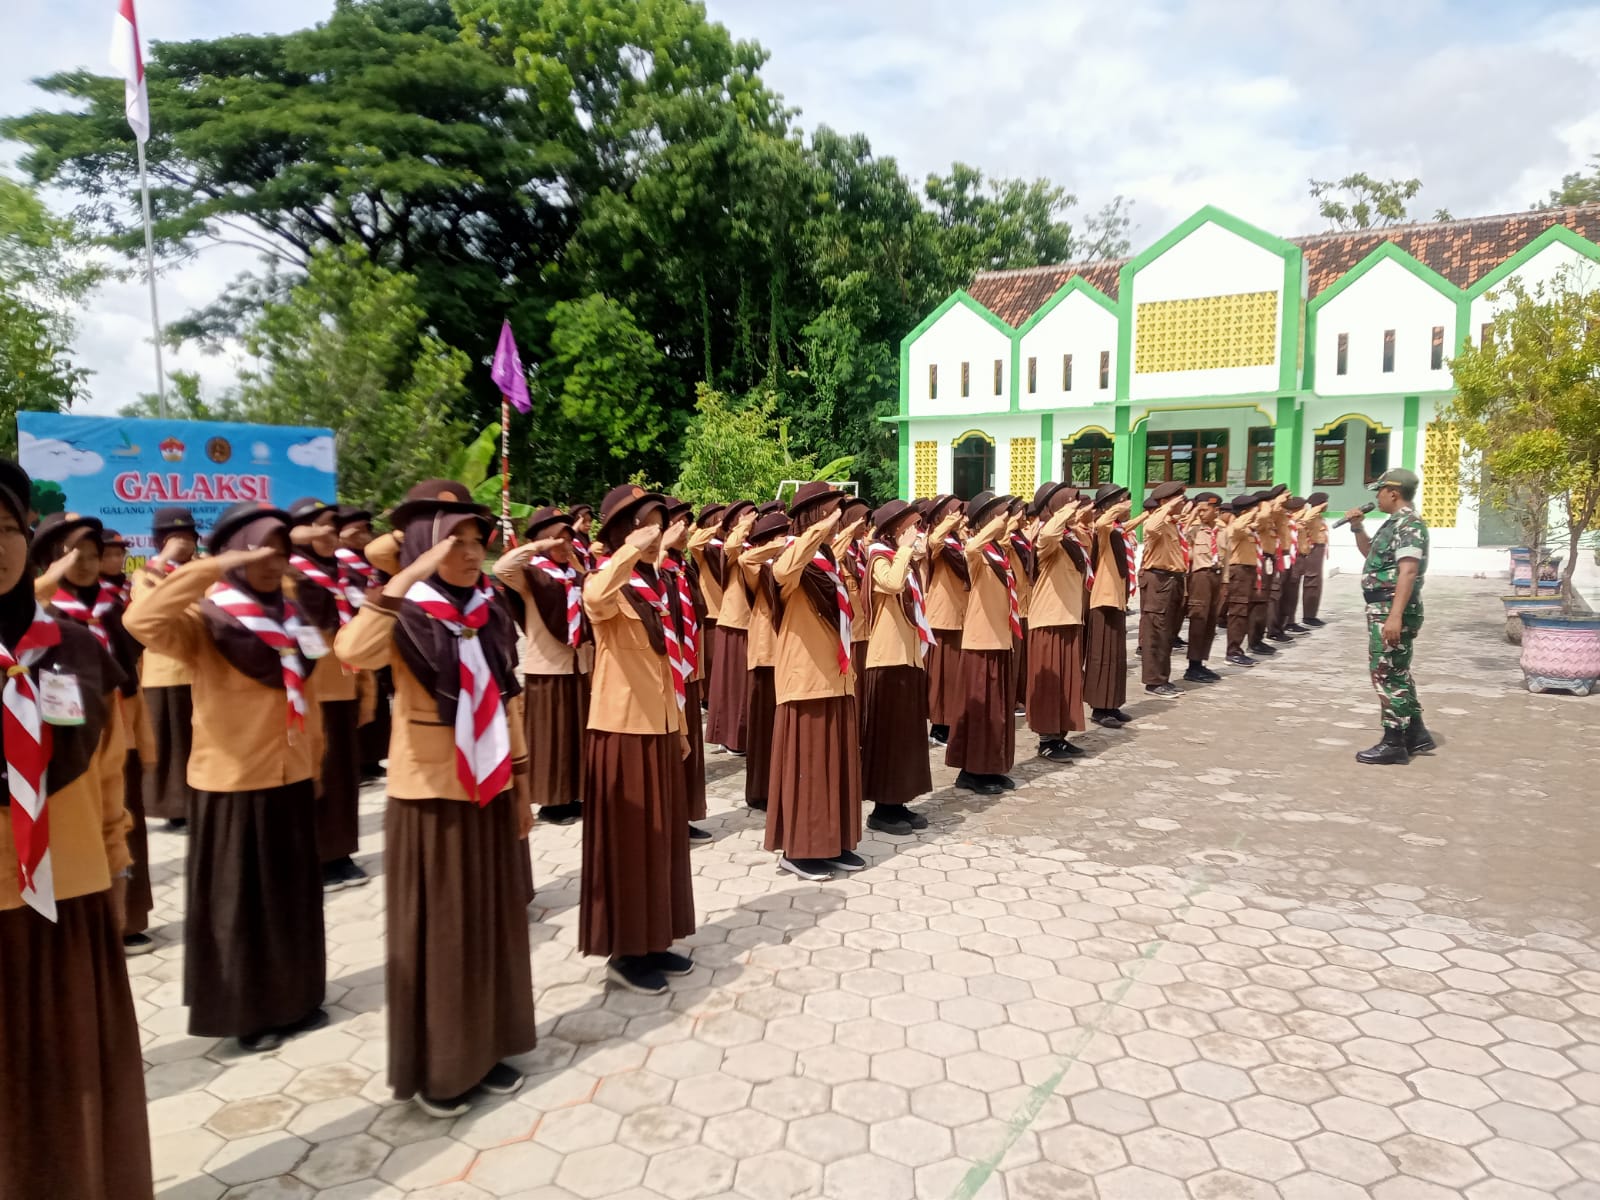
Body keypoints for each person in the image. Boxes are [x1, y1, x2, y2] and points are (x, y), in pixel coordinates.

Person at [334, 479, 536, 1116]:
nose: (472, 552)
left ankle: (491, 1043)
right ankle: (445, 1068)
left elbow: (510, 696)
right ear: (425, 546)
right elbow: (352, 651)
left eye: (477, 539)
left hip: (490, 782)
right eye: (457, 541)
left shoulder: (490, 607)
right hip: (430, 791)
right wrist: (405, 569)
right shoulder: (407, 609)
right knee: (444, 933)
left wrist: (523, 783)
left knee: (489, 924)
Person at [0, 460, 153, 1200]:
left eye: (5, 528)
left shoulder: (70, 645)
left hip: (74, 888)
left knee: (78, 1074)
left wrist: (118, 855)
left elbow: (105, 767)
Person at [124, 500, 329, 1053]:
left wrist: (314, 759)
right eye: (260, 549)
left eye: (281, 550)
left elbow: (306, 695)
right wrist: (209, 567)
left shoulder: (291, 617)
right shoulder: (207, 620)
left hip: (289, 774)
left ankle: (297, 997)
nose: (273, 560)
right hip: (232, 785)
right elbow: (140, 622)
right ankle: (248, 1012)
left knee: (291, 898)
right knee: (242, 908)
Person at [578, 485, 697, 994]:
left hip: (661, 726)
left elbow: (667, 662)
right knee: (630, 847)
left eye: (658, 521)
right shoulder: (608, 581)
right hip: (622, 730)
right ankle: (625, 954)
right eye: (646, 522)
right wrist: (631, 549)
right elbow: (594, 599)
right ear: (623, 533)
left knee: (660, 842)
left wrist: (683, 725)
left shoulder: (657, 581)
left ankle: (655, 939)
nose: (656, 530)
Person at [32, 512, 157, 958]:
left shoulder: (110, 606)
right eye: (72, 556)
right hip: (65, 744)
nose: (85, 564)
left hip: (116, 731)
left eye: (93, 555)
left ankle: (130, 917)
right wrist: (51, 579)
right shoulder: (39, 610)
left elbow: (131, 680)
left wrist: (141, 736)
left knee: (124, 823)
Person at [764, 482, 864, 880]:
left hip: (835, 677)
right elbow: (783, 571)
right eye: (829, 510)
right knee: (809, 765)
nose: (836, 517)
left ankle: (832, 842)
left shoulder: (825, 558)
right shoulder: (793, 554)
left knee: (834, 765)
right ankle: (800, 850)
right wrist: (818, 530)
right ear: (812, 516)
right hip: (805, 678)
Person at [286, 497, 370, 892]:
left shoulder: (344, 572)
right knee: (310, 771)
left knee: (340, 775)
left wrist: (366, 688)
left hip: (343, 684)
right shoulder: (285, 572)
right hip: (302, 692)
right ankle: (308, 857)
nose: (327, 533)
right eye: (317, 525)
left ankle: (338, 854)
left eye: (333, 527)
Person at [494, 507, 589, 828]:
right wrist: (537, 547)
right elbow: (502, 567)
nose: (564, 544)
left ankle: (575, 793)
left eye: (568, 538)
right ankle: (552, 802)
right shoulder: (533, 575)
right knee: (552, 738)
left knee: (575, 735)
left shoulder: (574, 574)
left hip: (579, 665)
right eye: (557, 538)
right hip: (547, 667)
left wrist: (576, 563)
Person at [1345, 468, 1433, 765]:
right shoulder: (1393, 524)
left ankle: (1394, 741)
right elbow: (1371, 554)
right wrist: (1358, 527)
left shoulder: (1409, 525)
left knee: (1386, 673)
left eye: (1380, 491)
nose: (1377, 497)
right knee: (1398, 670)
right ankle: (1416, 732)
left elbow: (1408, 571)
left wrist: (1395, 616)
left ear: (1393, 493)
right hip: (1383, 607)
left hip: (1390, 608)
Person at [860, 499, 933, 833]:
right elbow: (891, 584)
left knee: (905, 736)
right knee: (889, 737)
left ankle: (900, 801)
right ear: (895, 530)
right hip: (886, 658)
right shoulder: (877, 556)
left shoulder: (897, 557)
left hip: (907, 657)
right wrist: (904, 551)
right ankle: (882, 809)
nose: (915, 533)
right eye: (910, 527)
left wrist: (910, 553)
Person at [945, 490, 1021, 795]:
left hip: (1000, 639)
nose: (1007, 517)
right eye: (999, 513)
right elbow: (972, 545)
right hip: (981, 640)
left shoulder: (999, 552)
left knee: (997, 710)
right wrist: (994, 524)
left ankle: (992, 765)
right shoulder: (976, 552)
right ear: (988, 520)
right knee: (980, 711)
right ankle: (971, 771)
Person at [137, 507, 200, 832]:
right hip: (163, 671)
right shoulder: (145, 573)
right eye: (174, 537)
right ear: (159, 540)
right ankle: (176, 808)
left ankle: (201, 802)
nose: (183, 543)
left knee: (199, 739)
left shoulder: (205, 569)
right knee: (170, 743)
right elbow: (142, 603)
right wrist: (163, 560)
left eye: (188, 535)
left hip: (202, 668)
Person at [1024, 484, 1088, 762]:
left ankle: (1060, 735)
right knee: (1050, 684)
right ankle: (1046, 740)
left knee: (1066, 681)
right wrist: (1063, 512)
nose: (1076, 507)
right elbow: (1049, 531)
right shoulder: (1046, 536)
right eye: (1069, 502)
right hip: (1048, 618)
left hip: (1069, 617)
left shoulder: (1070, 538)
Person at [660, 498, 711, 842]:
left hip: (687, 666)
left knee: (690, 740)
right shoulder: (653, 568)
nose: (685, 528)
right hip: (667, 669)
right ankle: (668, 818)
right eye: (678, 522)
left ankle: (686, 814)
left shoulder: (682, 567)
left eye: (686, 522)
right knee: (672, 745)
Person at [738, 512, 790, 811]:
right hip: (765, 654)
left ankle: (781, 785)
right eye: (780, 533)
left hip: (786, 651)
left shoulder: (785, 564)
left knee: (781, 728)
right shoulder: (758, 565)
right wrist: (776, 546)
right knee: (764, 728)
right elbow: (746, 560)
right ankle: (761, 792)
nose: (786, 538)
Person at [1085, 484, 1147, 728]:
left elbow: (1127, 526)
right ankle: (1100, 708)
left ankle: (1112, 704)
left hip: (1117, 599)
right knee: (1103, 655)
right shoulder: (1102, 528)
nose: (1128, 506)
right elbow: (1101, 523)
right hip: (1104, 599)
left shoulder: (1119, 530)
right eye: (1122, 502)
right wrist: (1113, 508)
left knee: (1116, 656)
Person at [338, 506, 393, 782]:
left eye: (366, 530)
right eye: (355, 531)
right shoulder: (338, 563)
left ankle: (372, 758)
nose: (362, 536)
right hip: (350, 634)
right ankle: (357, 760)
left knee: (378, 700)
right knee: (355, 699)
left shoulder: (371, 562)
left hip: (376, 631)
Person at [705, 501, 757, 755]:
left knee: (745, 685)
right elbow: (731, 546)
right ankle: (732, 737)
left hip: (752, 621)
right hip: (735, 620)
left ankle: (744, 735)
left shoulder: (754, 545)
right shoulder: (732, 547)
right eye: (746, 515)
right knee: (733, 684)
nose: (752, 519)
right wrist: (742, 525)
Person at [1137, 480, 1190, 699]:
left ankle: (1163, 678)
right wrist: (1166, 507)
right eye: (1179, 499)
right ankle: (1154, 681)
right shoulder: (1156, 522)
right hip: (1159, 581)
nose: (1183, 503)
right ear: (1167, 501)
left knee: (1168, 632)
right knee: (1156, 632)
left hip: (1173, 579)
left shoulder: (1170, 523)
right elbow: (1149, 527)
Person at [923, 496, 967, 745]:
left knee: (953, 675)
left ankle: (951, 720)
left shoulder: (958, 541)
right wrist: (947, 524)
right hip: (943, 616)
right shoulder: (939, 539)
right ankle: (940, 726)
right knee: (943, 675)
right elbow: (934, 540)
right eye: (954, 512)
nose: (960, 516)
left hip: (959, 614)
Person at [1182, 492, 1226, 683]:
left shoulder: (1223, 530)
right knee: (1198, 619)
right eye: (1199, 510)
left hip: (1217, 576)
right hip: (1200, 577)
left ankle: (1201, 662)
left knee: (1210, 621)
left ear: (1217, 511)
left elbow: (1228, 557)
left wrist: (1226, 582)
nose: (1201, 514)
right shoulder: (1193, 529)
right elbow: (1181, 538)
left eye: (1205, 510)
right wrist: (1191, 515)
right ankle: (1192, 665)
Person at [1223, 493, 1264, 668]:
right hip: (1238, 572)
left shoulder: (1248, 528)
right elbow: (1236, 526)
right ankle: (1233, 652)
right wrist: (1250, 513)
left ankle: (1238, 648)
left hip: (1249, 572)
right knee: (1238, 613)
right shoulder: (1237, 527)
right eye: (1254, 509)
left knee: (1245, 612)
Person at [1284, 492, 1330, 631]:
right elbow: (1302, 520)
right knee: (1299, 584)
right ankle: (1291, 620)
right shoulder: (1304, 515)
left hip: (1314, 550)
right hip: (1307, 550)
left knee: (1314, 583)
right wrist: (1314, 509)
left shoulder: (1315, 516)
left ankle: (1310, 615)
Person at [1251, 486, 1286, 655]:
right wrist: (1265, 506)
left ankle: (1258, 639)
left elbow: (1279, 516)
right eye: (1268, 502)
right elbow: (1264, 516)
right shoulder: (1260, 517)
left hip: (1270, 560)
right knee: (1259, 602)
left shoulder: (1270, 518)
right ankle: (1254, 641)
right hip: (1261, 560)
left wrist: (1277, 504)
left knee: (1265, 601)